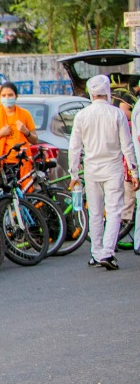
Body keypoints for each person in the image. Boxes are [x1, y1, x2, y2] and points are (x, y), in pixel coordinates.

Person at [68, 74, 139, 270]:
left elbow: (75, 147)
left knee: (96, 212)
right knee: (114, 211)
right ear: (107, 91)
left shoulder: (82, 116)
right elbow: (127, 146)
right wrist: (133, 171)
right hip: (113, 168)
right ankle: (108, 252)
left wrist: (74, 174)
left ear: (91, 93)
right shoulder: (116, 114)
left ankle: (96, 252)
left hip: (91, 169)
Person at [0, 82, 39, 169]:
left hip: (22, 162)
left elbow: (35, 140)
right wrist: (1, 134)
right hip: (2, 163)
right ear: (0, 97)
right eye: (4, 95)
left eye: (10, 95)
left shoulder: (25, 114)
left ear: (16, 96)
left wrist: (26, 132)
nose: (7, 98)